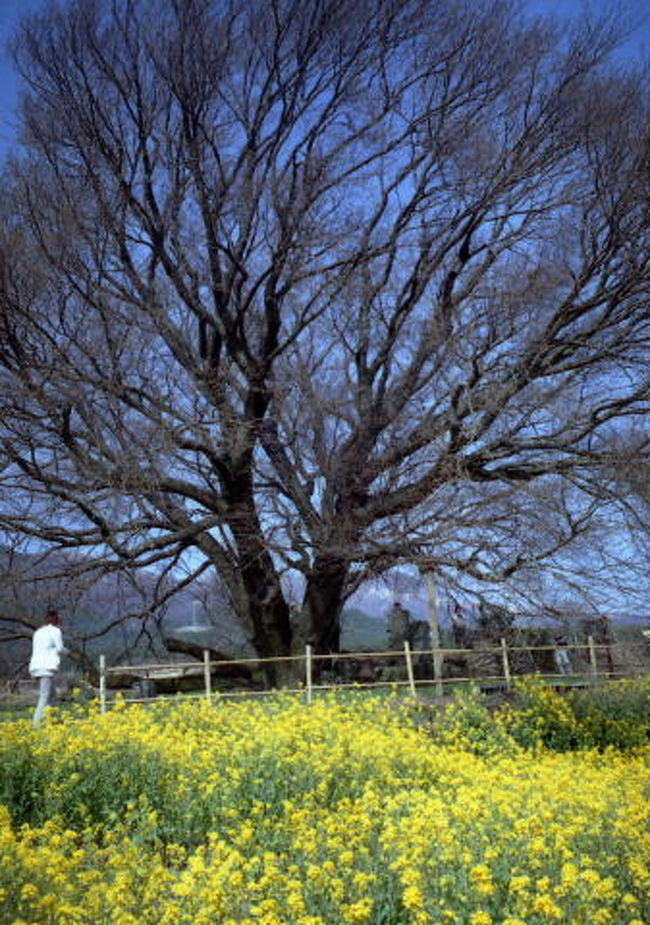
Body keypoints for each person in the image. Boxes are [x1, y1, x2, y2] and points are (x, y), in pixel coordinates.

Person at [29, 609, 67, 725]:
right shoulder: (55, 631)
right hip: (46, 667)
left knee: (52, 695)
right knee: (45, 696)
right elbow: (60, 648)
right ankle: (36, 724)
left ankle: (53, 721)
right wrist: (68, 652)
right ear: (56, 620)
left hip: (35, 666)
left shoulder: (38, 632)